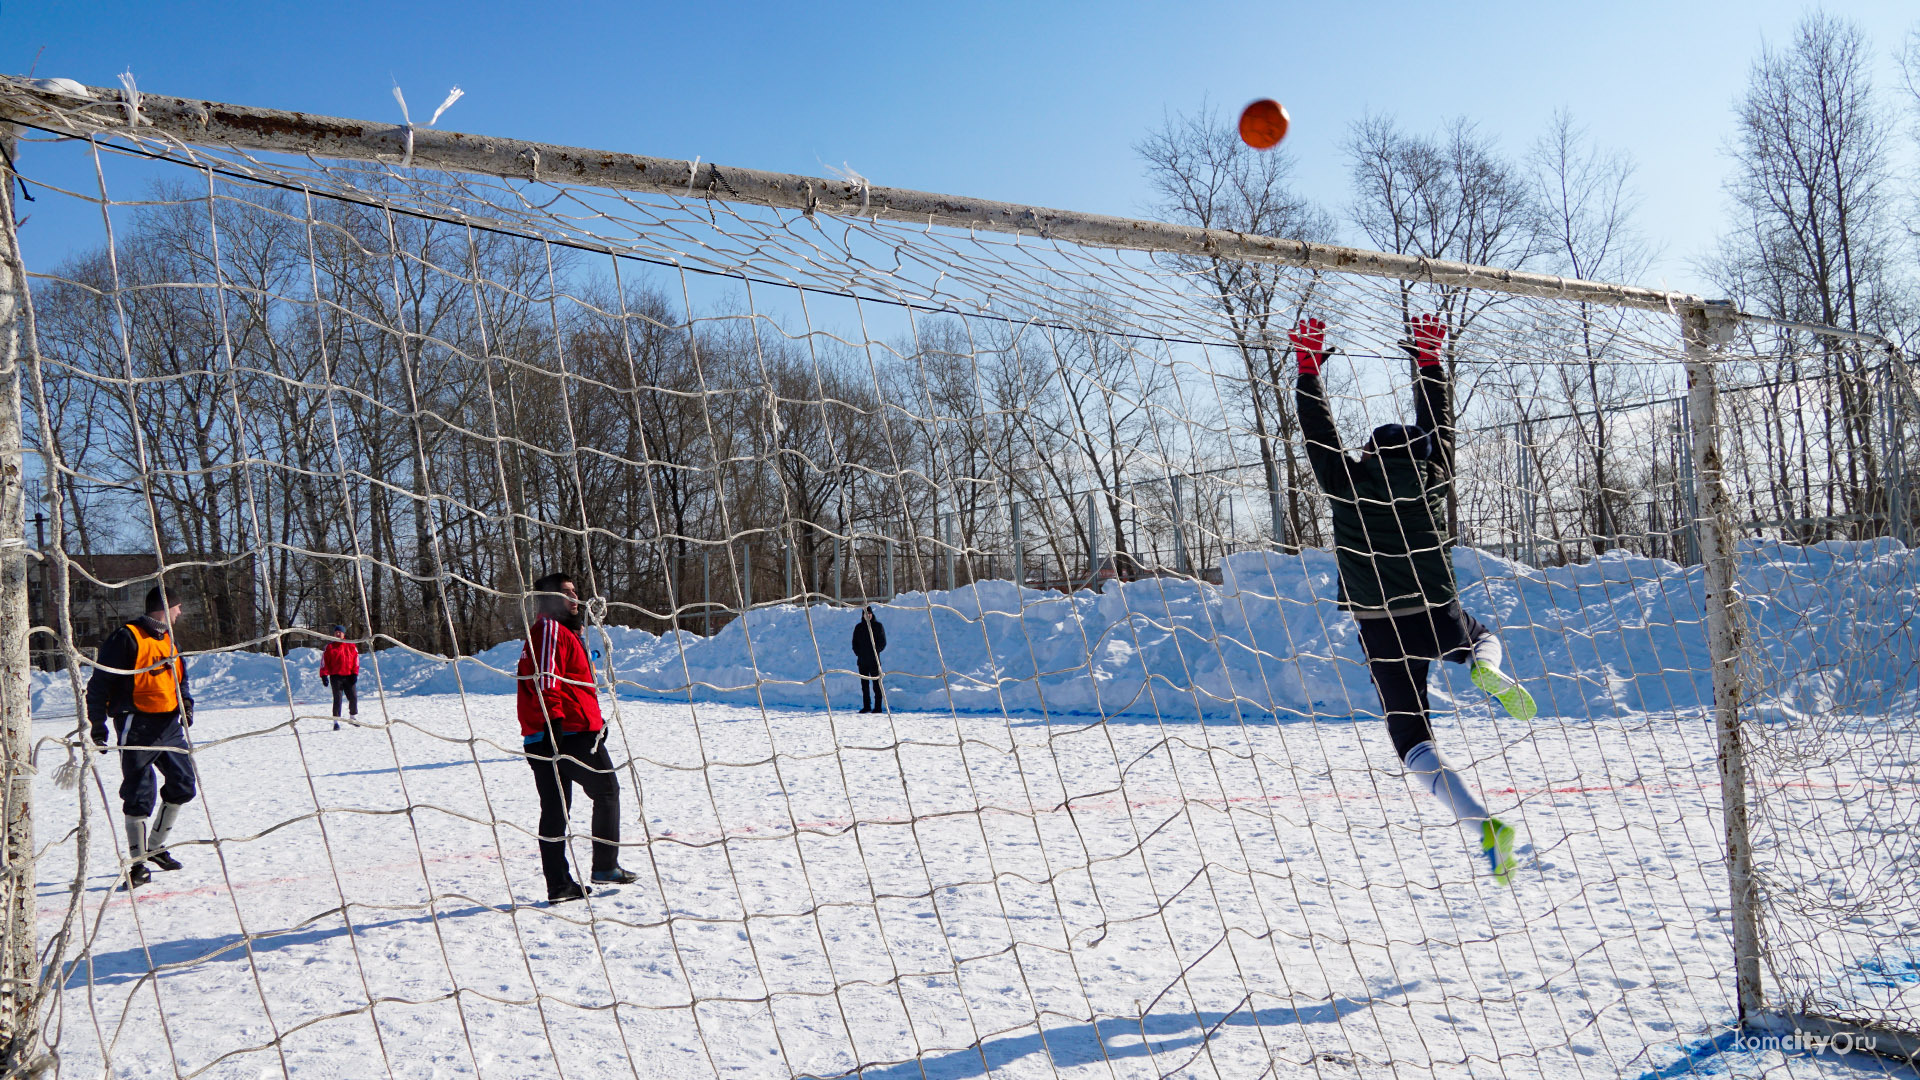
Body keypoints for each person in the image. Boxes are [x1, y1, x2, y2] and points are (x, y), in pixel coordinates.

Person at [1292, 314, 1535, 885]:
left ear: (1368, 456)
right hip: (1435, 608)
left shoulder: (1345, 484)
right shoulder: (1432, 476)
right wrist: (1428, 358)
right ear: (1417, 452)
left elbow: (1317, 434)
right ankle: (1481, 667)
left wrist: (1308, 369)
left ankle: (1485, 826)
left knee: (1413, 741)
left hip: (1378, 623)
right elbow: (1440, 425)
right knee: (1484, 638)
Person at [517, 571, 634, 903]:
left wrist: (595, 721)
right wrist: (556, 726)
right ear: (551, 600)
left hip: (555, 732)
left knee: (556, 810)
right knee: (607, 790)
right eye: (567, 593)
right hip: (563, 734)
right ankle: (605, 866)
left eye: (575, 592)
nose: (575, 598)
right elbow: (547, 681)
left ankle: (559, 885)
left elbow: (576, 686)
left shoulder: (562, 632)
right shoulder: (550, 630)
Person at [86, 585, 197, 889]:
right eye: (178, 607)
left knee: (184, 785)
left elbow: (180, 679)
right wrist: (98, 723)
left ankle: (156, 847)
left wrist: (185, 704)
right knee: (139, 794)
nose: (180, 612)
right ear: (165, 607)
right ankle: (137, 866)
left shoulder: (171, 641)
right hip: (136, 725)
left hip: (168, 726)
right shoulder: (126, 638)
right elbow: (99, 684)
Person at [320, 624, 360, 731]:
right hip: (336, 677)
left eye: (340, 632)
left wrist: (355, 673)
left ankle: (352, 717)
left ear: (343, 634)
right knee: (337, 698)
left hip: (349, 676)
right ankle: (336, 721)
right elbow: (324, 662)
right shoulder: (330, 647)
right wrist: (324, 675)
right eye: (336, 632)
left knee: (353, 697)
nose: (338, 634)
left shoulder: (351, 646)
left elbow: (356, 660)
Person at [851, 605, 887, 713]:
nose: (868, 616)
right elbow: (854, 643)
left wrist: (875, 652)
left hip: (874, 661)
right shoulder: (859, 627)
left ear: (872, 614)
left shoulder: (878, 626)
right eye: (865, 614)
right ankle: (866, 706)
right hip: (862, 661)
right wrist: (859, 653)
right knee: (864, 686)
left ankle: (878, 707)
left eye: (869, 614)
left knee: (877, 684)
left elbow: (882, 642)